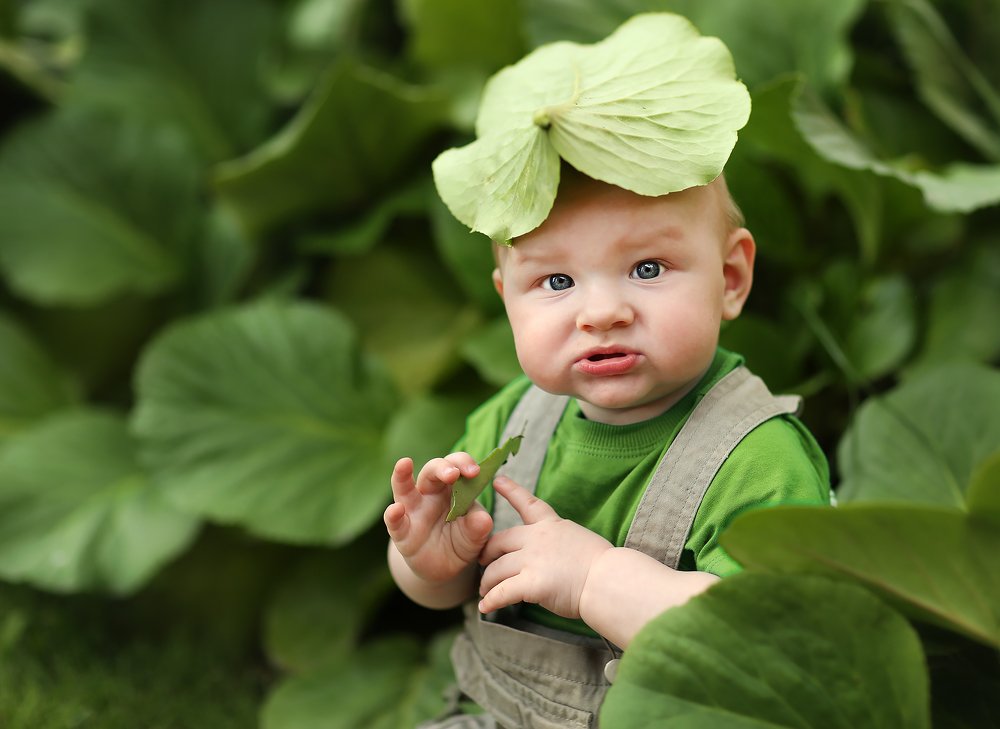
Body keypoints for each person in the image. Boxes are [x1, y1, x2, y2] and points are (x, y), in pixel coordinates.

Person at [384, 14, 830, 729]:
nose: (601, 313)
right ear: (507, 300)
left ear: (731, 278)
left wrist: (596, 578)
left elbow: (770, 640)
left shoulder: (758, 459)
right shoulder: (511, 424)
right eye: (556, 282)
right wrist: (428, 561)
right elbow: (450, 591)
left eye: (647, 268)